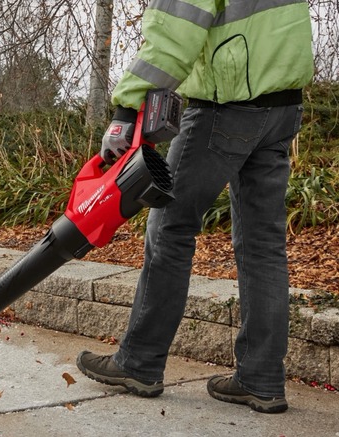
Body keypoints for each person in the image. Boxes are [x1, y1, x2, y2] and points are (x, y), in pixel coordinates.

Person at [76, 0, 314, 414]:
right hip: (283, 106)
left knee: (171, 228)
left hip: (226, 107)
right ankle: (261, 379)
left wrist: (126, 107)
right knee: (263, 245)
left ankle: (139, 363)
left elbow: (175, 34)